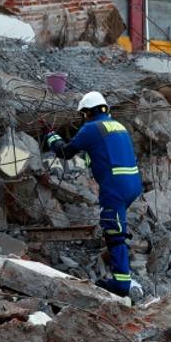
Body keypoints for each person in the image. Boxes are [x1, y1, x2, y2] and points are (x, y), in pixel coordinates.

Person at [45, 91, 142, 296]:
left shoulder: (91, 128)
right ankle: (122, 276)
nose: (84, 117)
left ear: (88, 112)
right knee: (116, 228)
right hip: (132, 183)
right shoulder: (118, 126)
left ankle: (122, 284)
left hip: (115, 185)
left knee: (114, 233)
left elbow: (65, 152)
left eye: (84, 114)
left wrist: (52, 137)